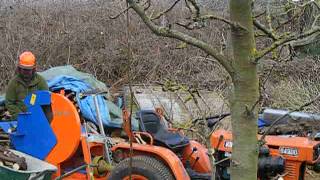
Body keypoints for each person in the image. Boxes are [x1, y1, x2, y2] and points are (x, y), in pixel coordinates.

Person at [5, 51, 48, 119]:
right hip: (19, 118)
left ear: (33, 69)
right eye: (24, 69)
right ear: (19, 68)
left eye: (28, 70)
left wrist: (38, 116)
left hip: (37, 117)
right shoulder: (14, 83)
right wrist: (20, 116)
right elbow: (9, 103)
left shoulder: (40, 81)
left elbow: (46, 101)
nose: (26, 72)